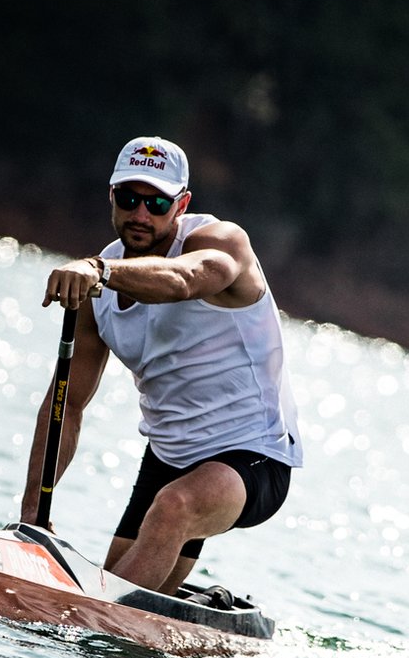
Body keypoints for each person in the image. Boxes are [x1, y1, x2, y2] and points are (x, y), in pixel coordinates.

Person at [19, 136, 302, 597]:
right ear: (111, 196)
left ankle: (84, 624)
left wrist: (99, 271)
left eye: (157, 202)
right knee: (126, 582)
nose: (141, 214)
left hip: (254, 454)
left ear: (182, 204)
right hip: (168, 456)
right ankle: (184, 607)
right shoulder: (98, 286)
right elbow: (65, 407)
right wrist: (33, 513)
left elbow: (183, 279)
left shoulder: (221, 243)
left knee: (172, 509)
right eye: (129, 199)